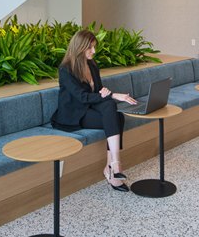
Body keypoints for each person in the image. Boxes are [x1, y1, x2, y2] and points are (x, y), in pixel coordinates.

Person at [49, 29, 137, 190]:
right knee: (115, 113)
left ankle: (112, 165)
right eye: (90, 48)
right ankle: (113, 167)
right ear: (79, 47)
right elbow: (82, 97)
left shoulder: (92, 64)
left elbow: (98, 90)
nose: (94, 51)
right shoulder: (65, 69)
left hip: (90, 107)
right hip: (73, 114)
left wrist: (106, 94)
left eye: (94, 47)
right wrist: (113, 95)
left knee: (117, 114)